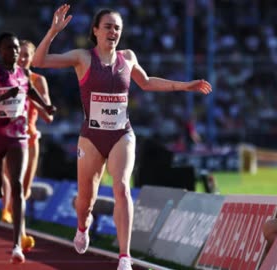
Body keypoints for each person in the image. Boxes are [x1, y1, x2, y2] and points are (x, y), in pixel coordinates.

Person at [32, 4, 212, 270]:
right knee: (85, 200)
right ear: (95, 30)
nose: (113, 31)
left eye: (117, 27)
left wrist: (184, 86)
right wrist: (53, 31)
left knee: (121, 187)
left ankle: (124, 257)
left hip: (121, 134)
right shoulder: (83, 57)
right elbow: (39, 62)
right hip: (91, 137)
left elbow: (147, 81)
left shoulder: (127, 58)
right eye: (107, 26)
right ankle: (83, 226)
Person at [0, 32, 56, 264]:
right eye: (10, 48)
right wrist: (1, 99)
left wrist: (46, 108)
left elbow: (30, 92)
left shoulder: (24, 74)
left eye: (17, 48)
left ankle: (17, 245)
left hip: (18, 137)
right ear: (1, 51)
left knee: (18, 187)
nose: (15, 52)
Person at [16, 39, 55, 251]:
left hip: (30, 138)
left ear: (32, 58)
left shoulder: (39, 80)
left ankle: (17, 227)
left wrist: (30, 95)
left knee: (24, 190)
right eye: (19, 54)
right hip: (9, 139)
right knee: (14, 187)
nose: (22, 59)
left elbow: (48, 117)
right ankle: (19, 235)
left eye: (26, 55)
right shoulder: (4, 78)